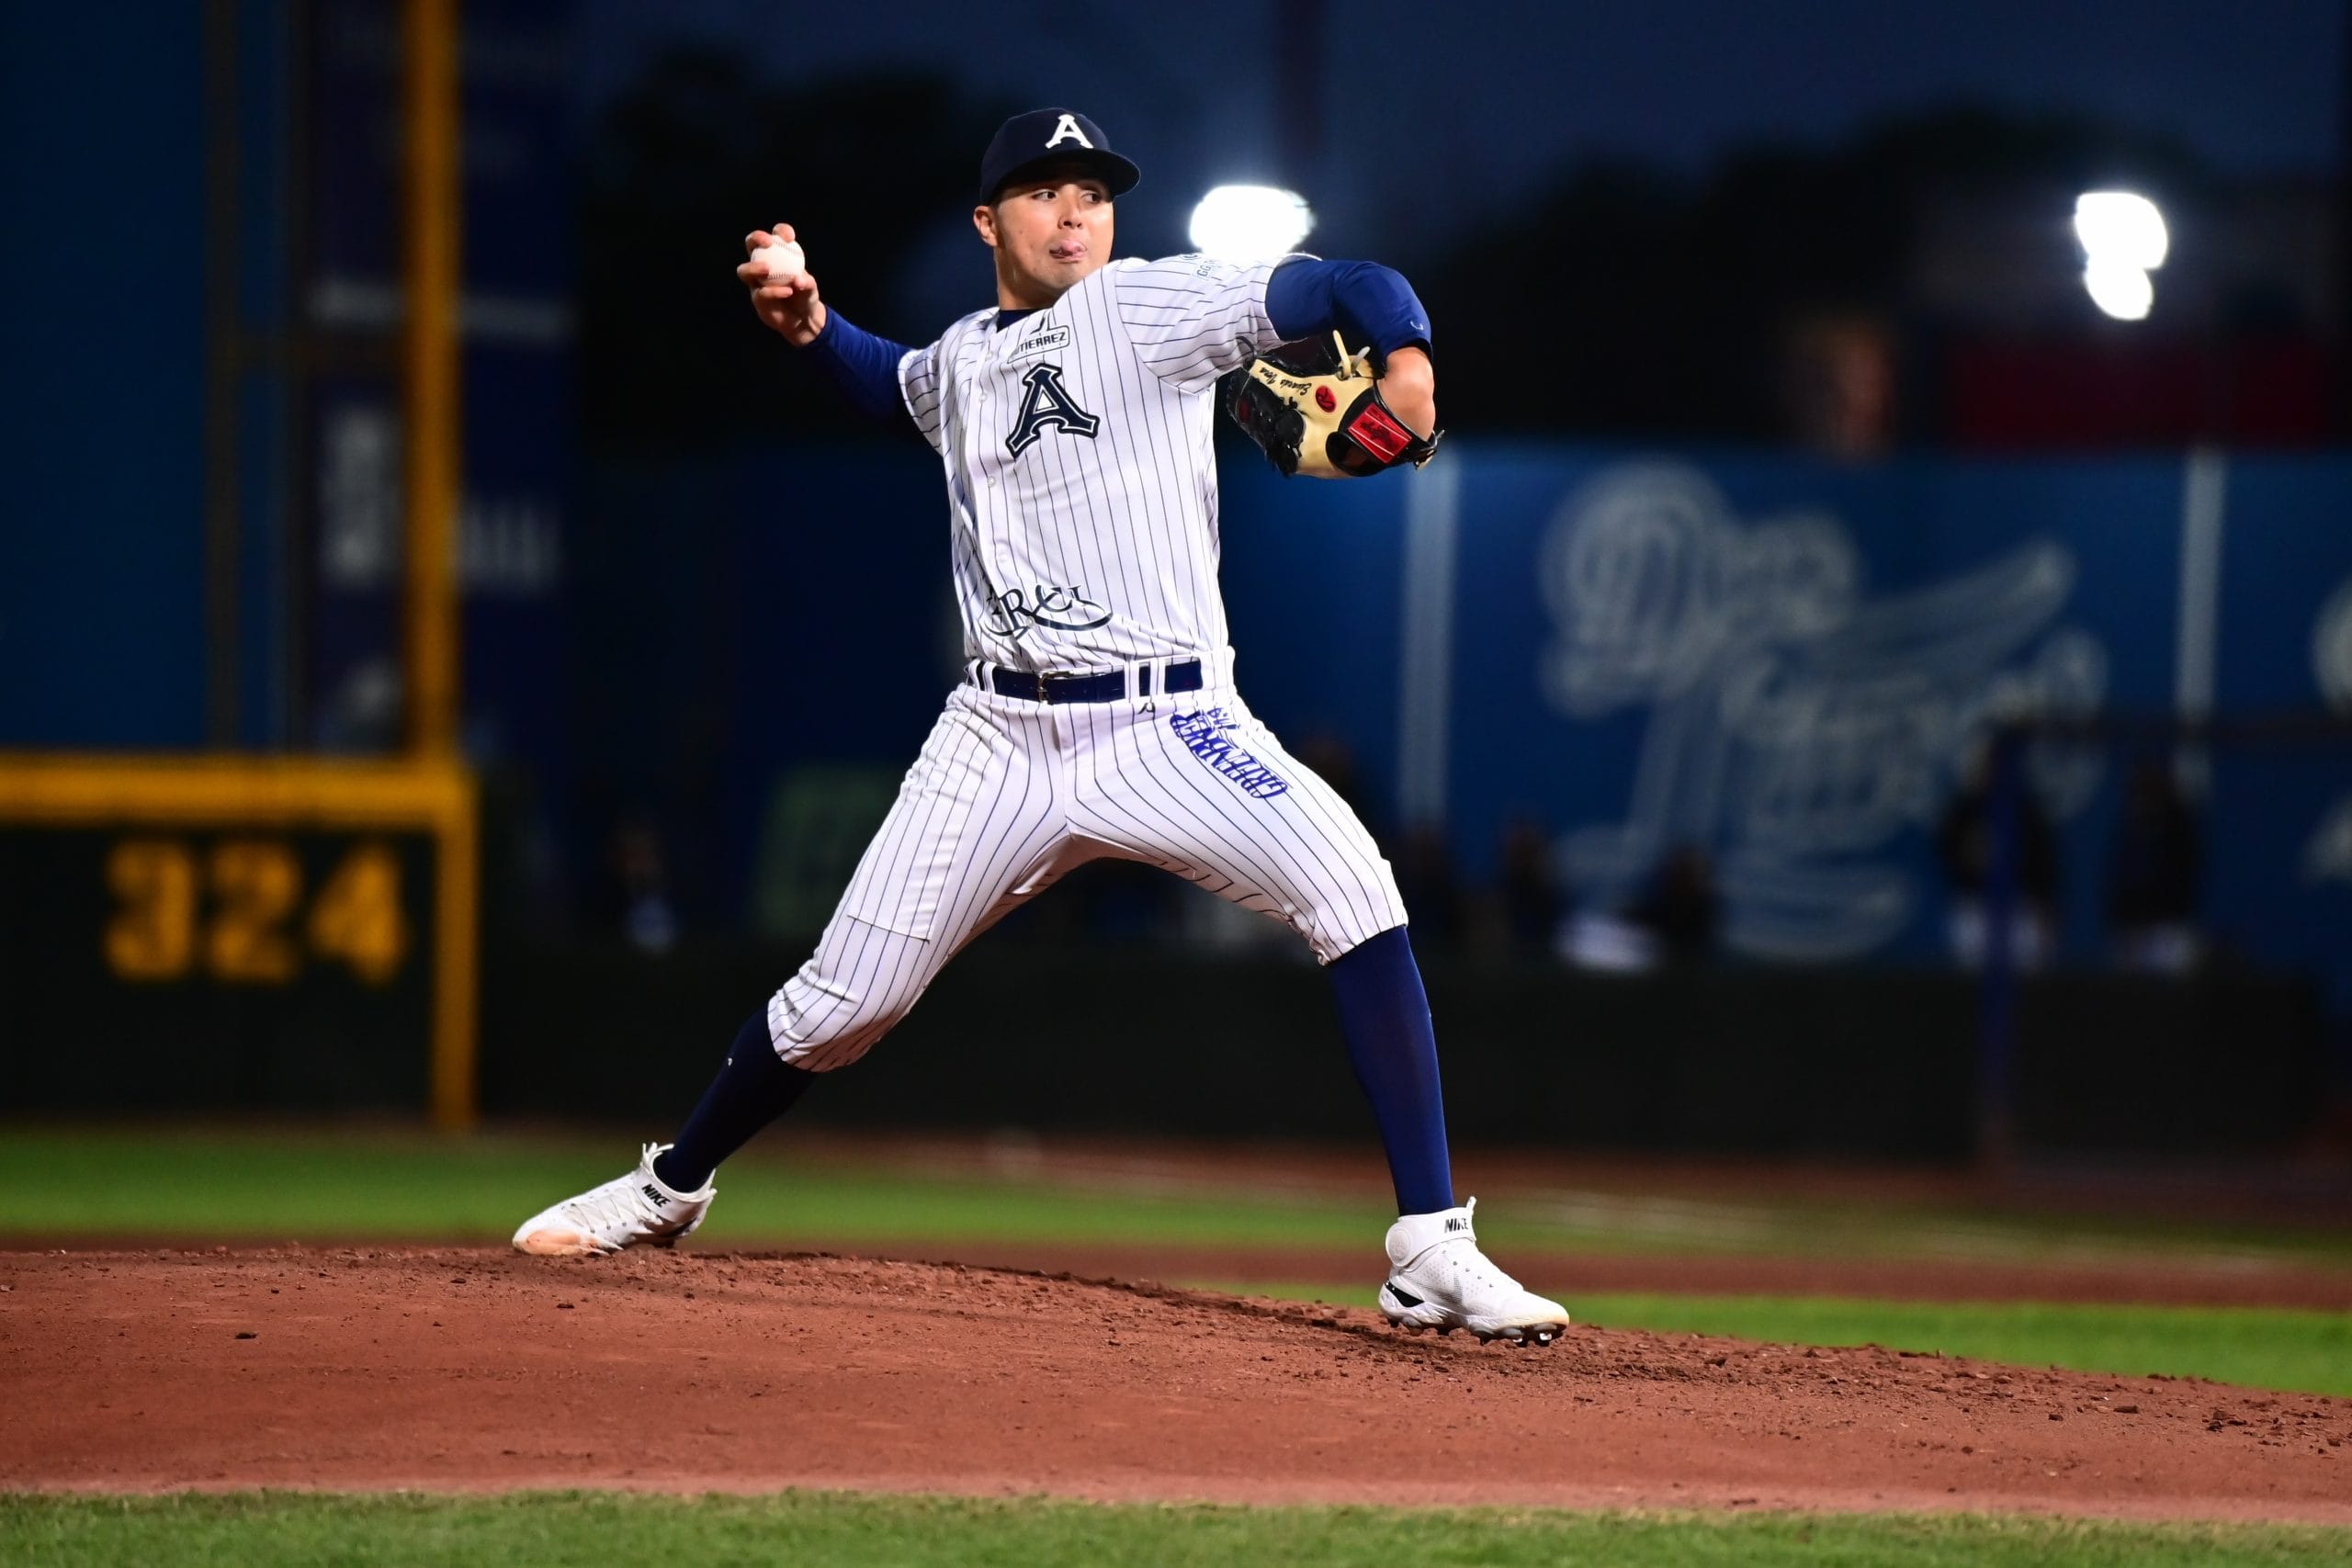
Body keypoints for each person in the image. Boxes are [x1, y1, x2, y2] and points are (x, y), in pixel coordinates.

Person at [511, 109, 1569, 1346]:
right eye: (1042, 191)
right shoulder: (962, 358)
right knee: (837, 1008)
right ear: (987, 221)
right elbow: (889, 380)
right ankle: (668, 1186)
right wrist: (808, 325)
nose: (1074, 213)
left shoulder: (1153, 310)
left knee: (1357, 889)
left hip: (1169, 723)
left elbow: (1354, 282)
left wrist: (1409, 366)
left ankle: (1431, 1248)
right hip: (998, 737)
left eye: (1094, 193)